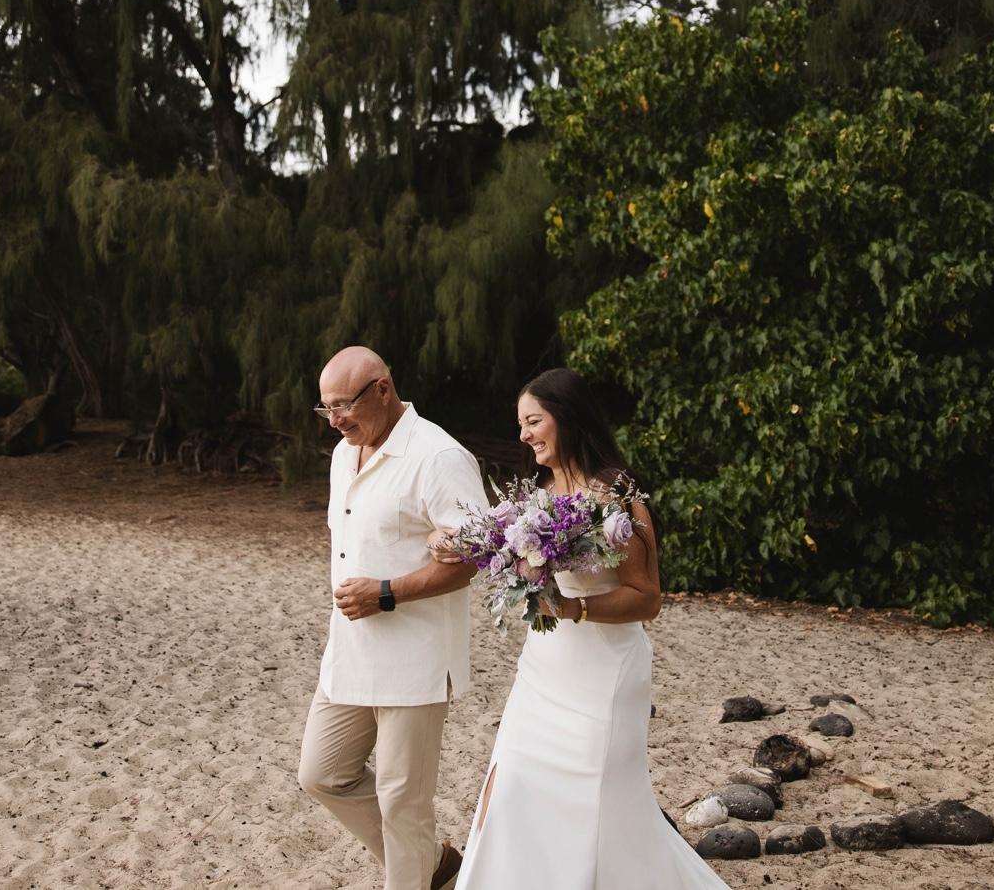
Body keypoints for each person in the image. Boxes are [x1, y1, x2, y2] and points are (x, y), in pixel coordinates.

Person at [429, 367, 729, 889]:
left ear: (565, 418)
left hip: (605, 672)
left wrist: (574, 610)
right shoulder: (537, 494)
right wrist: (455, 542)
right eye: (520, 424)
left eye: (532, 421)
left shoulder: (616, 498)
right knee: (513, 783)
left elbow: (648, 598)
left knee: (603, 809)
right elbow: (498, 547)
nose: (523, 434)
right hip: (545, 668)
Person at [298, 346, 487, 890]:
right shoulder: (343, 454)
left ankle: (415, 874)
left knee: (403, 802)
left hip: (416, 659)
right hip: (350, 651)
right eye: (325, 409)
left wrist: (386, 593)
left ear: (384, 388)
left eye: (344, 407)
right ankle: (434, 865)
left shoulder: (439, 457)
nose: (335, 422)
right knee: (322, 774)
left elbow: (474, 559)